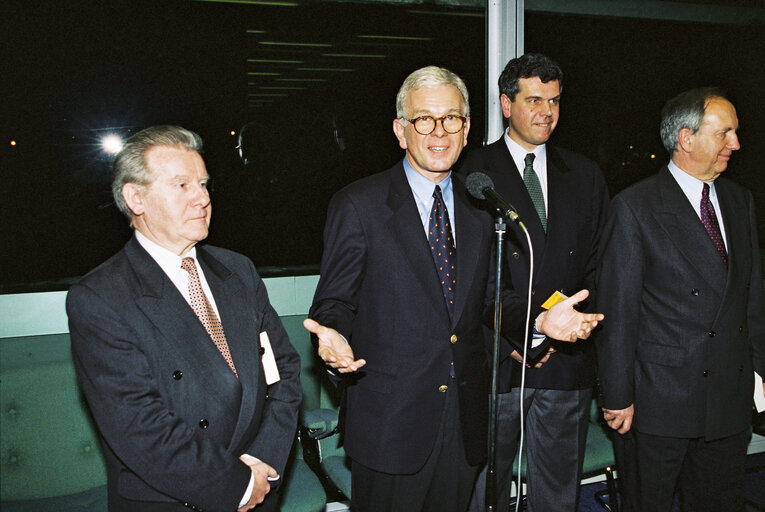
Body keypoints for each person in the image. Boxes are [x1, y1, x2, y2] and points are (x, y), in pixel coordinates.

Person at [302, 65, 604, 512]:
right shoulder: (359, 203)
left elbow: (489, 300)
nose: (438, 132)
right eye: (424, 119)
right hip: (391, 424)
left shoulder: (481, 205)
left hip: (464, 422)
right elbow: (335, 302)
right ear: (400, 131)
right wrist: (332, 338)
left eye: (452, 119)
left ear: (466, 130)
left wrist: (540, 321)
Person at [66, 125, 302, 512]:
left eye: (204, 184)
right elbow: (140, 427)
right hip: (175, 498)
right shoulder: (101, 298)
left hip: (260, 486)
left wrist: (264, 461)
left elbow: (284, 374)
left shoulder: (237, 271)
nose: (202, 199)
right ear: (135, 198)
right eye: (181, 186)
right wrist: (237, 484)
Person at [596, 88, 765, 512]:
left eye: (736, 133)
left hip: (728, 397)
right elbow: (619, 312)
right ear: (686, 139)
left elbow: (752, 295)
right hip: (659, 402)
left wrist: (762, 370)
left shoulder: (739, 200)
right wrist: (617, 394)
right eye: (725, 133)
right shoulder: (635, 207)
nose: (736, 144)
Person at [461, 53, 610, 512]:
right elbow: (467, 277)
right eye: (533, 99)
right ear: (506, 105)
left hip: (565, 361)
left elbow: (600, 264)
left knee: (558, 492)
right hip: (498, 359)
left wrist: (565, 331)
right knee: (483, 489)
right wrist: (520, 336)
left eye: (555, 101)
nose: (546, 111)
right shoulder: (472, 173)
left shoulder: (584, 174)